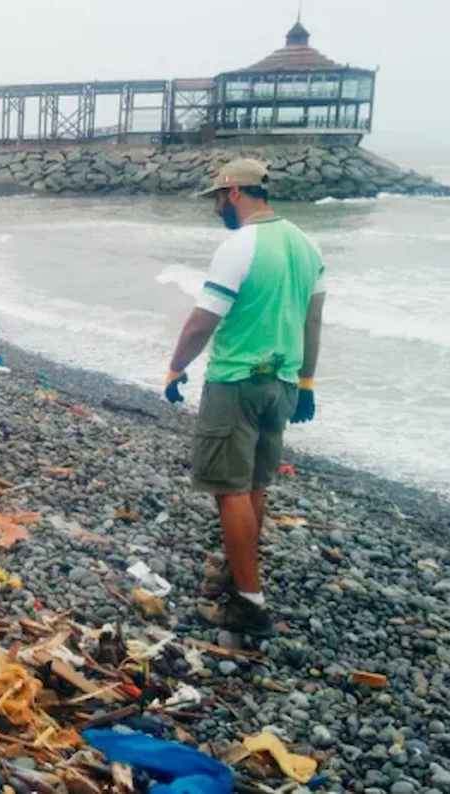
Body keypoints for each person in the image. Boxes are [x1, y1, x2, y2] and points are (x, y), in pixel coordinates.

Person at [164, 159, 325, 637]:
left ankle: (249, 605)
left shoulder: (241, 245)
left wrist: (176, 368)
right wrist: (308, 383)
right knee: (254, 485)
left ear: (234, 191)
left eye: (217, 197)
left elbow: (202, 321)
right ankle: (240, 578)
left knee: (229, 489)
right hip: (283, 382)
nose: (216, 208)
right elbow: (312, 322)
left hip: (237, 380)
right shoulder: (307, 245)